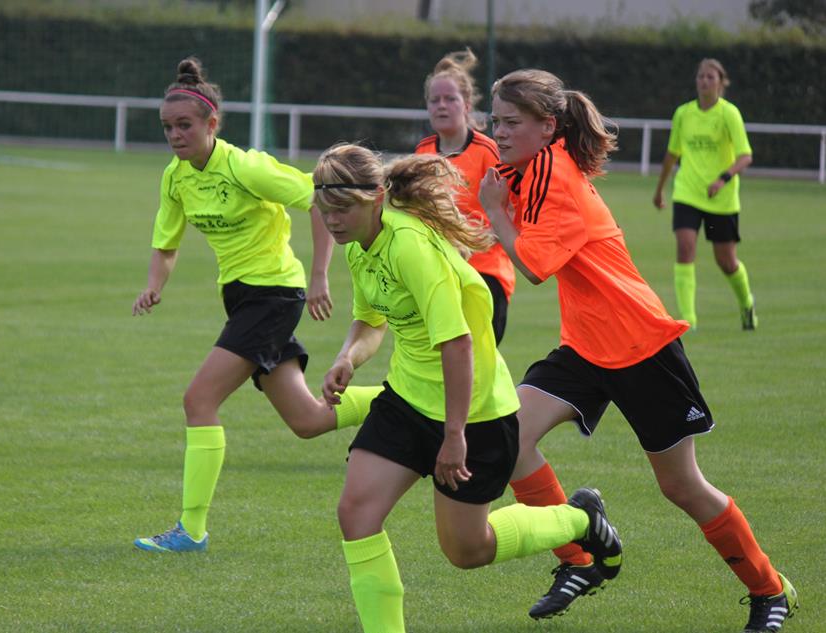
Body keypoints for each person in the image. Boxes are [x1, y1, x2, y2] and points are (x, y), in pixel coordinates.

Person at [479, 69, 797, 631]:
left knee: (681, 486)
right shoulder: (529, 165)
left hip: (640, 344)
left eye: (511, 122)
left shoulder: (554, 173)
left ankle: (770, 590)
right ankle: (582, 556)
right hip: (585, 347)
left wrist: (495, 214)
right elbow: (482, 192)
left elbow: (531, 265)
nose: (499, 133)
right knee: (509, 438)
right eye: (495, 121)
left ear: (548, 126)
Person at [314, 143, 622, 633]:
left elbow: (457, 344)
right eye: (325, 210)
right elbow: (370, 320)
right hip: (408, 400)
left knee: (466, 550)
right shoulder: (359, 243)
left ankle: (581, 519)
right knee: (356, 514)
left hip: (474, 412)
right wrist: (346, 358)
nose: (333, 221)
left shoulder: (410, 246)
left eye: (343, 209)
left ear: (376, 198)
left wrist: (454, 435)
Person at [131, 57, 379, 553]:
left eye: (184, 125)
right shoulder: (176, 177)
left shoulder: (245, 167)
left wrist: (318, 276)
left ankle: (191, 531)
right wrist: (154, 285)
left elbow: (319, 196)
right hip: (241, 298)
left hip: (273, 295)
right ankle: (404, 399)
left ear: (212, 124)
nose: (175, 135)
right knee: (308, 421)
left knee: (199, 400)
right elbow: (166, 243)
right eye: (168, 127)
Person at [416, 48, 514, 343]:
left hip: (485, 273)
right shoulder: (423, 152)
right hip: (439, 274)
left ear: (467, 105)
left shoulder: (488, 151)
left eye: (450, 99)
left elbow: (512, 212)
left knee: (478, 363)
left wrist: (469, 241)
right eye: (435, 100)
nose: (441, 106)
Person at [652, 58, 756, 331]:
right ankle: (689, 321)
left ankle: (746, 302)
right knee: (685, 248)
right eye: (701, 76)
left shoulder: (729, 114)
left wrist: (723, 178)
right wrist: (660, 188)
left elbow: (745, 156)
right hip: (687, 192)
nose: (704, 81)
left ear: (721, 83)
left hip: (721, 199)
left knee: (726, 261)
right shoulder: (683, 113)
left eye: (710, 77)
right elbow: (672, 154)